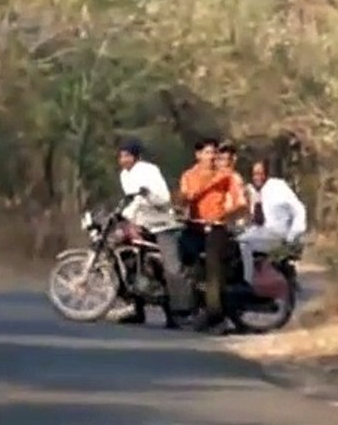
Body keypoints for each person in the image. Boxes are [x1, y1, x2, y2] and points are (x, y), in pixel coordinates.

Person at [116, 139, 188, 327]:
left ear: (137, 157)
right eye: (121, 155)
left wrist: (146, 195)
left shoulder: (149, 170)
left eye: (127, 155)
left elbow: (163, 198)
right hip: (142, 223)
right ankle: (136, 309)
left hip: (162, 223)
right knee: (130, 261)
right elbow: (131, 202)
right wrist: (128, 219)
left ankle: (179, 313)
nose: (123, 160)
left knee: (171, 268)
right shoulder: (124, 175)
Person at [178, 138, 240, 331]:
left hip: (216, 227)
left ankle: (216, 317)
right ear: (198, 155)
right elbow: (183, 198)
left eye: (214, 153)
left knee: (214, 273)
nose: (212, 157)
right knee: (188, 267)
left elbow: (240, 203)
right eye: (207, 153)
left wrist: (223, 216)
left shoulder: (226, 176)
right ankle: (191, 310)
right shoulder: (189, 176)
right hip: (194, 226)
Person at [236, 156, 307, 286]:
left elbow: (299, 209)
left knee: (244, 244)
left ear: (267, 173)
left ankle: (248, 282)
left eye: (260, 173)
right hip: (258, 233)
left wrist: (293, 235)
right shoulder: (250, 191)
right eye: (254, 174)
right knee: (233, 243)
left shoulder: (278, 187)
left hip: (276, 234)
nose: (257, 177)